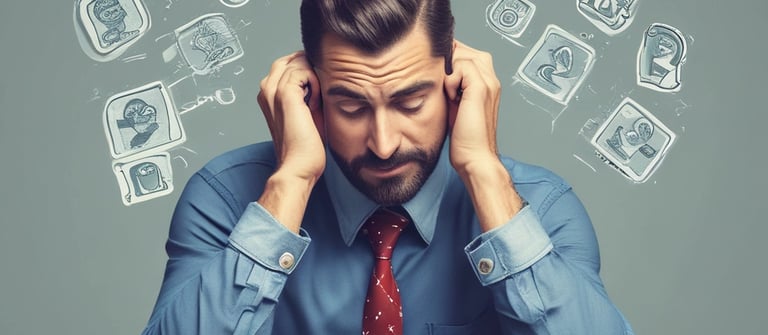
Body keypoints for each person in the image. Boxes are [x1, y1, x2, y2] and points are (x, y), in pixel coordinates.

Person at [141, 0, 634, 334]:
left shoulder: (541, 208)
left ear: (455, 80)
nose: (382, 143)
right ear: (308, 92)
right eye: (351, 107)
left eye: (411, 102)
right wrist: (291, 182)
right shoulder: (226, 200)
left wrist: (484, 172)